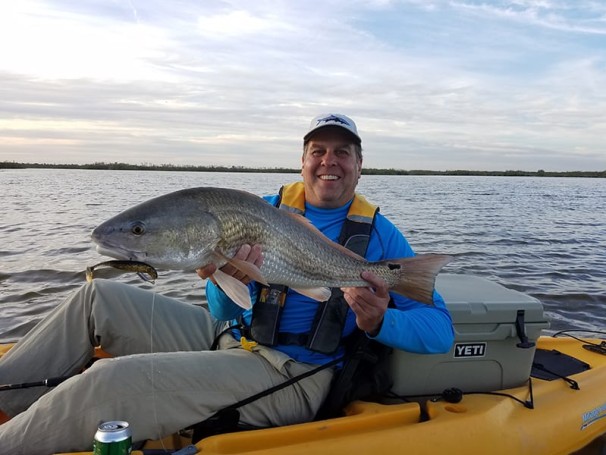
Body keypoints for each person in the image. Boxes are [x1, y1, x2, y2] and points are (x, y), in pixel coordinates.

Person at [0, 113, 454, 454]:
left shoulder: (378, 235)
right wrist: (223, 278)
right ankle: (11, 402)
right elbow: (223, 311)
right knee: (96, 297)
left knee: (115, 378)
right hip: (233, 338)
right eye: (318, 151)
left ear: (359, 165)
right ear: (302, 162)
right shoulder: (264, 209)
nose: (328, 162)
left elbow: (441, 333)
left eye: (342, 152)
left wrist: (379, 323)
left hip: (295, 375)